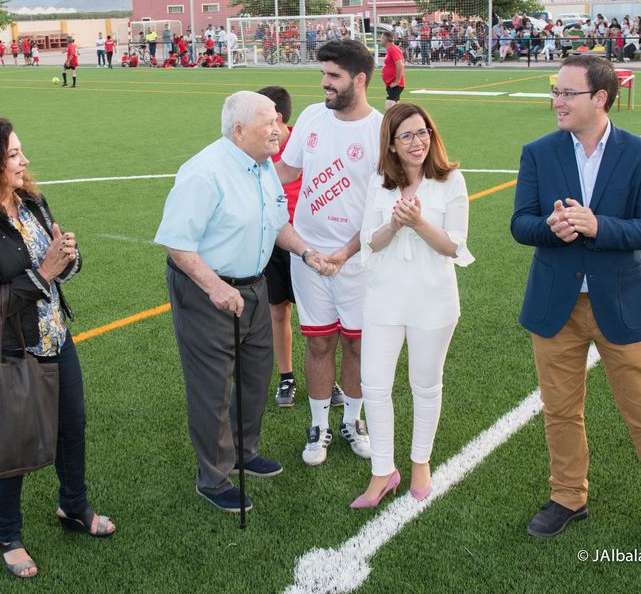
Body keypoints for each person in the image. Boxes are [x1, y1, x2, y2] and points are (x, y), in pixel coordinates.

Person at [511, 55, 641, 553]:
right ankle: (568, 497)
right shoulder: (538, 152)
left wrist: (599, 226)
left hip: (620, 301)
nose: (556, 100)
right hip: (556, 304)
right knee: (560, 410)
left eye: (567, 93)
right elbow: (520, 223)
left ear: (599, 98)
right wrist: (550, 229)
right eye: (555, 91)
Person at [0, 119, 114, 578]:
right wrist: (45, 271)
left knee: (72, 427)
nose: (25, 161)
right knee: (10, 446)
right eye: (14, 155)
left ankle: (74, 507)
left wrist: (68, 257)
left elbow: (59, 270)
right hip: (6, 350)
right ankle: (8, 536)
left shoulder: (32, 202)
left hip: (55, 336)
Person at [154, 91, 337, 513]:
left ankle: (244, 452)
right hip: (207, 292)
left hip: (253, 287)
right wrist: (215, 286)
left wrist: (307, 252)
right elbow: (176, 244)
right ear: (239, 131)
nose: (279, 129)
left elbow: (276, 222)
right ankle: (214, 477)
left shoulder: (263, 166)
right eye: (269, 123)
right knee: (212, 386)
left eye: (278, 120)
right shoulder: (204, 172)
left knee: (256, 375)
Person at [355, 103, 472, 509]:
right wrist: (393, 224)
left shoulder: (451, 180)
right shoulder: (378, 183)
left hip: (433, 299)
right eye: (406, 135)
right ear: (390, 143)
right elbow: (368, 239)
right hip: (384, 297)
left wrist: (419, 223)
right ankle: (383, 470)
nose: (417, 141)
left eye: (422, 132)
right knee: (373, 384)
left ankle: (420, 462)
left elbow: (455, 246)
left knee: (424, 384)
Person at [276, 39, 383, 466]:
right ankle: (318, 426)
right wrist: (249, 174)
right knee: (319, 344)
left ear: (359, 79)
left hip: (358, 259)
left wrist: (347, 251)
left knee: (357, 347)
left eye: (333, 76)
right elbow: (287, 169)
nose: (324, 83)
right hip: (308, 255)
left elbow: (383, 205)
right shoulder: (310, 117)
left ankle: (353, 421)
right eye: (323, 74)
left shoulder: (382, 128)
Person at [256, 86, 303, 408]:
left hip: (307, 241)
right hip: (273, 240)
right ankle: (287, 376)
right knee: (278, 309)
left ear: (278, 118)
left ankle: (327, 377)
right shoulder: (255, 147)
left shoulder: (305, 141)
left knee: (319, 313)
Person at [379, 30, 405, 110]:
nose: (380, 40)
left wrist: (397, 81)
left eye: (381, 38)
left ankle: (392, 122)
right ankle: (398, 122)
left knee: (389, 107)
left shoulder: (393, 49)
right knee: (395, 108)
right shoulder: (390, 50)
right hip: (391, 84)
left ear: (386, 40)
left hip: (396, 84)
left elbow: (400, 65)